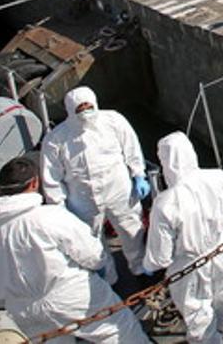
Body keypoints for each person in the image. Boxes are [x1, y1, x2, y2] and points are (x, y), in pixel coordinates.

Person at [0, 157, 149, 343]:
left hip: (22, 311)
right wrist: (101, 269)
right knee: (117, 331)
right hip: (69, 295)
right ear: (34, 183)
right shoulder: (49, 217)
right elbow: (93, 255)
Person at [145, 133, 223, 343]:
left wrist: (148, 265)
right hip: (217, 251)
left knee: (198, 313)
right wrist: (219, 221)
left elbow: (160, 257)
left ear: (166, 162)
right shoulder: (217, 177)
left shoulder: (165, 203)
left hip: (187, 266)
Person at [41, 86, 150, 277]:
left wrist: (138, 174)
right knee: (91, 240)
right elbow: (52, 177)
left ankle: (139, 266)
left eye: (88, 106)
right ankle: (107, 277)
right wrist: (59, 206)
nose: (85, 112)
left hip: (119, 190)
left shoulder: (113, 121)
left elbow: (131, 147)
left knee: (131, 229)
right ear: (70, 110)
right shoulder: (56, 139)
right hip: (82, 199)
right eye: (80, 109)